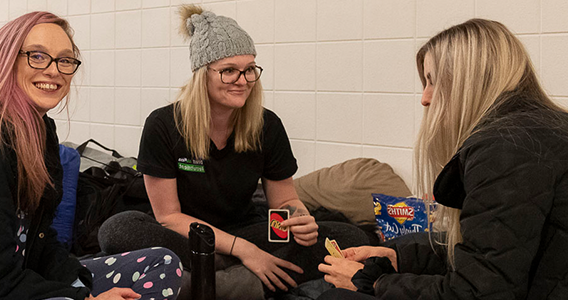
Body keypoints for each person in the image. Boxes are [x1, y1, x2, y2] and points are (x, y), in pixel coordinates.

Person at [0, 12, 183, 300]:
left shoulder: (39, 131)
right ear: (5, 60)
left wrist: (79, 285)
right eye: (37, 56)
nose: (54, 70)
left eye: (65, 60)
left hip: (12, 279)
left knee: (162, 263)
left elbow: (40, 240)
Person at [96, 5, 369, 299]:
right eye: (229, 71)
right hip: (184, 235)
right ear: (203, 74)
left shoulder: (268, 125)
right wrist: (247, 252)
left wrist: (300, 219)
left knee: (350, 236)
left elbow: (285, 200)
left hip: (243, 229)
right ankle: (243, 272)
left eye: (250, 69)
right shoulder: (163, 124)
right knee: (118, 229)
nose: (243, 80)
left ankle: (208, 273)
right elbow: (169, 217)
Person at [317, 18, 568, 300]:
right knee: (407, 243)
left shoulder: (506, 147)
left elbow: (479, 292)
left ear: (466, 79)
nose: (425, 98)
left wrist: (372, 283)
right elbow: (492, 254)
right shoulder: (547, 128)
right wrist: (396, 258)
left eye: (431, 81)